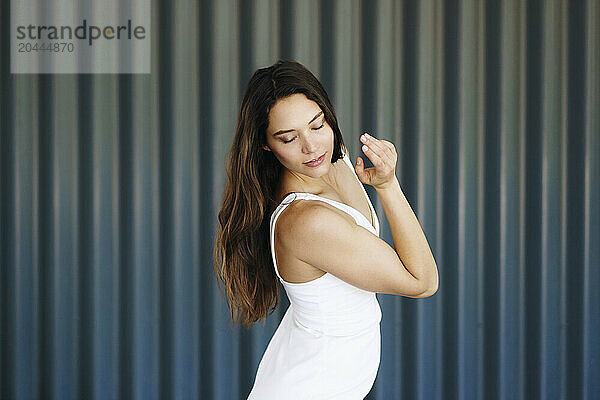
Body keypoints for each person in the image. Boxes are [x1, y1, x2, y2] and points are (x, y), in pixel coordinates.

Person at [214, 60, 438, 399]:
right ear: (266, 145)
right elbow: (422, 282)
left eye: (317, 125)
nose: (311, 147)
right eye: (288, 138)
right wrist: (388, 186)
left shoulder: (332, 159)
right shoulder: (307, 220)